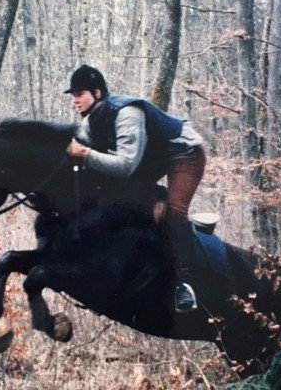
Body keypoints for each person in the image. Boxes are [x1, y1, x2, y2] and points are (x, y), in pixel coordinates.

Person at [64, 64, 206, 313]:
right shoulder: (91, 121)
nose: (75, 100)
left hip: (183, 152)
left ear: (97, 93)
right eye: (73, 95)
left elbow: (126, 166)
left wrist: (85, 154)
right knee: (116, 199)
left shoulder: (127, 112)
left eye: (79, 94)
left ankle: (185, 283)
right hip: (153, 157)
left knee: (175, 211)